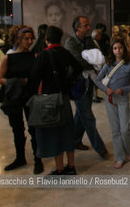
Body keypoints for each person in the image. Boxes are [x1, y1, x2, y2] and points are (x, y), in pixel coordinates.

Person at [28, 26, 82, 175]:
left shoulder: (44, 55)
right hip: (63, 97)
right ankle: (71, 166)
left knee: (54, 133)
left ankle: (59, 168)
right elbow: (77, 68)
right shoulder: (65, 53)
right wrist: (68, 82)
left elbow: (34, 78)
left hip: (49, 99)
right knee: (67, 131)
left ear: (46, 39)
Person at [0, 25, 43, 174]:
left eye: (31, 39)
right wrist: (17, 81)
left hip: (30, 96)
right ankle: (20, 157)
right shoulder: (8, 58)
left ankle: (38, 159)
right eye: (26, 39)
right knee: (17, 129)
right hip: (14, 97)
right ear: (18, 39)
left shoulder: (34, 56)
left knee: (34, 128)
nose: (29, 41)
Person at [64, 16, 108, 158]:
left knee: (81, 113)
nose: (89, 27)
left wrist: (93, 61)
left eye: (89, 25)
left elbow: (99, 58)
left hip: (90, 82)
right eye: (86, 25)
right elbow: (78, 62)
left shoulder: (89, 41)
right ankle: (99, 147)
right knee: (87, 115)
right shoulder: (70, 42)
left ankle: (74, 141)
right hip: (77, 84)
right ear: (77, 27)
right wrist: (93, 62)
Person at [94, 37, 130, 168]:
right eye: (115, 48)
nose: (117, 51)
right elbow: (97, 80)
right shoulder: (108, 65)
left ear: (124, 49)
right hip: (110, 100)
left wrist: (123, 90)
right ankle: (119, 157)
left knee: (124, 129)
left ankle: (128, 150)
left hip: (123, 99)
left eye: (120, 48)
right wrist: (105, 89)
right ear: (112, 50)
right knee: (115, 130)